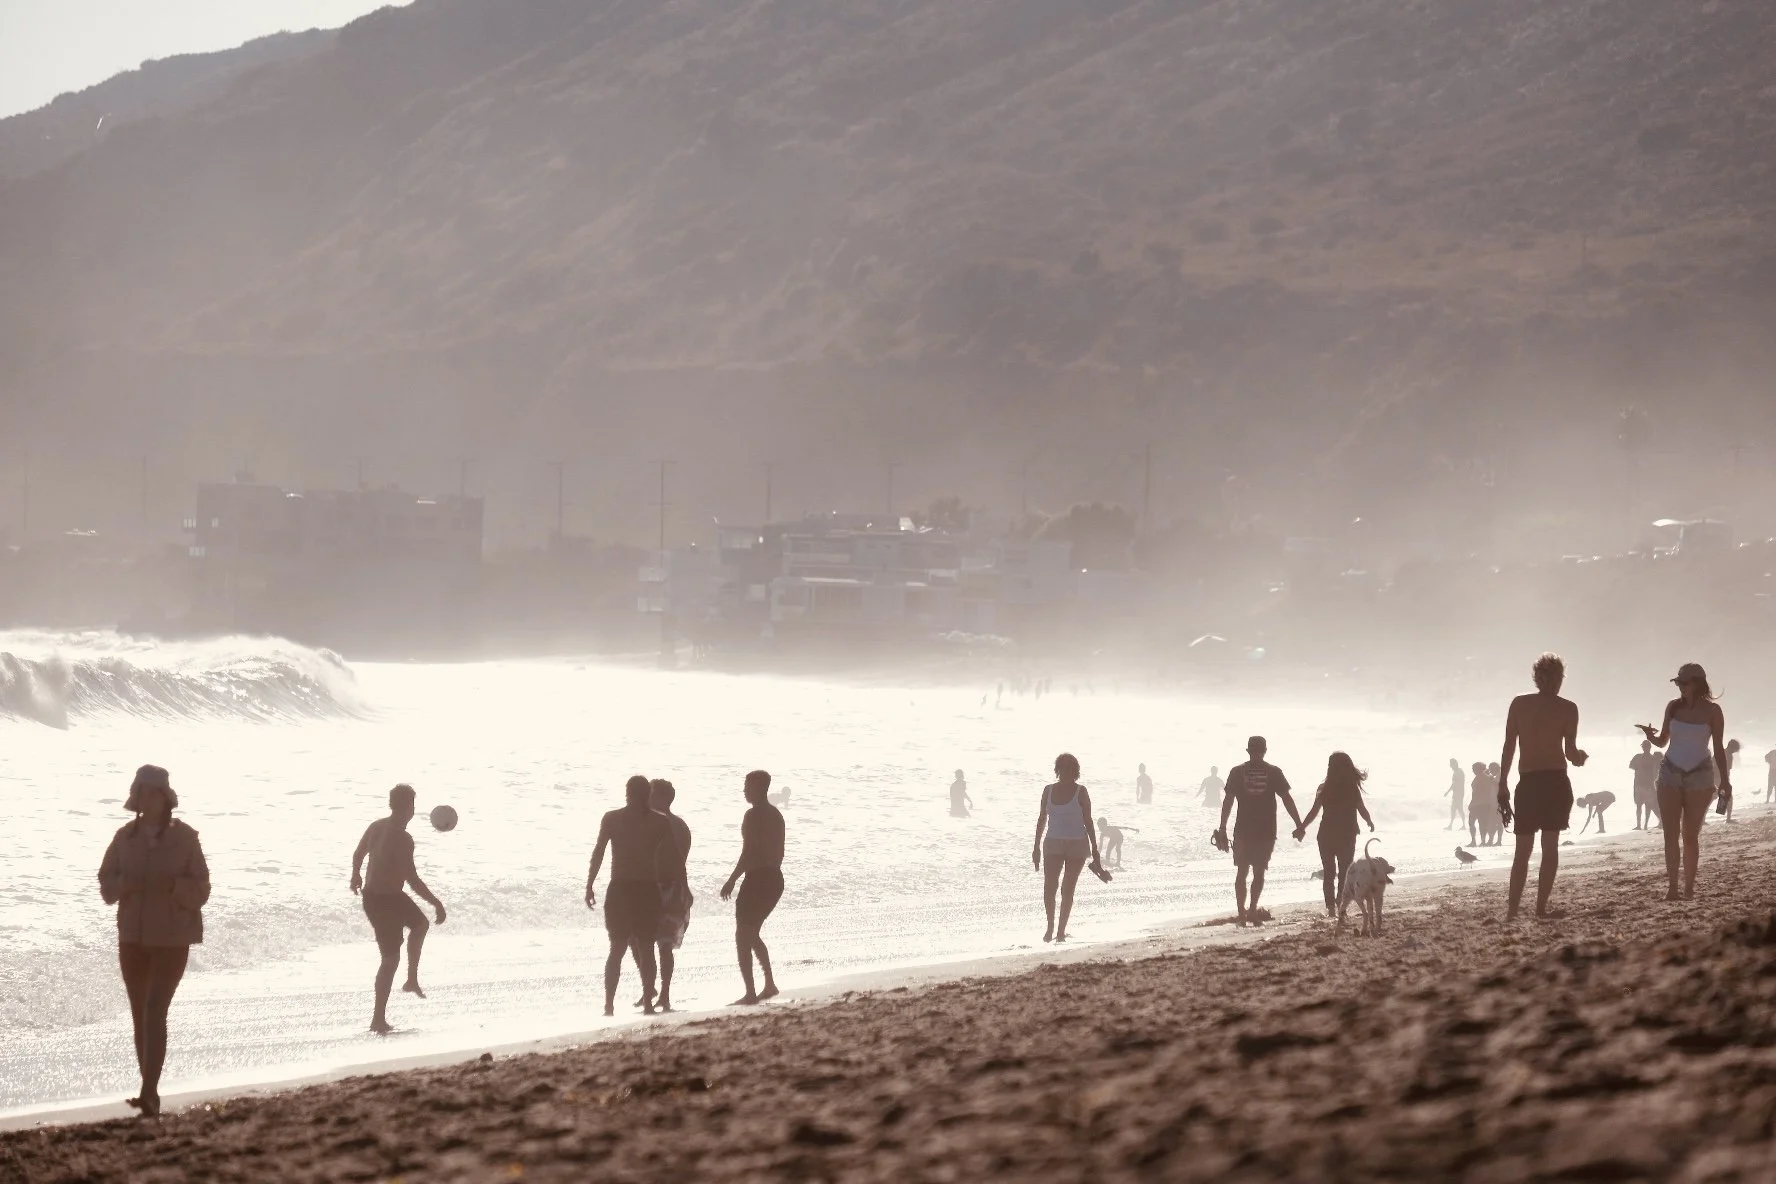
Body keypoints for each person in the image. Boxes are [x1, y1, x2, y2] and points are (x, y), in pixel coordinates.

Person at [98, 765, 210, 1118]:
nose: (147, 799)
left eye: (153, 793)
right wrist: (125, 884)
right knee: (139, 1013)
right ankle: (149, 1091)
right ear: (135, 797)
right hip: (132, 938)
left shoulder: (186, 838)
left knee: (154, 1009)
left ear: (165, 798)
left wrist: (174, 887)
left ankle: (148, 1091)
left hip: (173, 938)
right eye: (142, 792)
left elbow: (202, 890)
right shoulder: (123, 838)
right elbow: (106, 886)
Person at [1497, 653, 1588, 922]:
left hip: (1535, 782)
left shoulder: (1521, 704)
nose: (1557, 683)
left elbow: (1510, 746)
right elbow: (1570, 753)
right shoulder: (1566, 708)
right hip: (1550, 782)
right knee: (1540, 848)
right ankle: (1530, 910)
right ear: (1545, 678)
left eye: (1558, 678)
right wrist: (1580, 758)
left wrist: (1503, 783)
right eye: (1556, 677)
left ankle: (1521, 911)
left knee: (1531, 849)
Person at [351, 784, 446, 1034]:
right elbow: (412, 879)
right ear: (409, 808)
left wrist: (355, 875)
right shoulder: (403, 839)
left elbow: (358, 853)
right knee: (390, 959)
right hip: (382, 903)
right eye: (412, 805)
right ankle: (377, 1019)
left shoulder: (376, 826)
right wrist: (436, 902)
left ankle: (411, 979)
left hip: (386, 897)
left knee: (420, 924)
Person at [1638, 663, 1730, 901]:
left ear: (1698, 683)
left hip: (1700, 776)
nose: (1680, 686)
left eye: (1684, 682)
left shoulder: (1713, 711)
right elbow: (1663, 742)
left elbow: (1718, 748)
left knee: (1690, 836)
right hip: (1670, 773)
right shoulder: (1673, 707)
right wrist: (1650, 736)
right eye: (1678, 682)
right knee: (1670, 835)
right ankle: (1672, 889)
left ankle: (1688, 889)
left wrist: (1725, 781)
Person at [586, 774, 675, 1016]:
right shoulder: (660, 822)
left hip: (622, 889)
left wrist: (590, 884)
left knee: (617, 948)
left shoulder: (612, 818)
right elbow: (672, 859)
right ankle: (647, 1005)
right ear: (648, 794)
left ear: (627, 793)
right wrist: (674, 891)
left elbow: (598, 853)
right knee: (645, 948)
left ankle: (609, 1006)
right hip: (647, 890)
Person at [1216, 737, 1305, 927]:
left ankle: (1245, 914)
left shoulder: (1238, 772)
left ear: (1248, 751)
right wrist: (1299, 824)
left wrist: (1223, 826)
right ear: (1264, 751)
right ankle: (1249, 912)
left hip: (1247, 830)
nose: (1257, 754)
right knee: (1255, 872)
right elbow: (1287, 799)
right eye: (1256, 751)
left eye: (1257, 751)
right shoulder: (1273, 772)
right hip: (1262, 831)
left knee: (1245, 871)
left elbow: (1229, 800)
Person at [720, 769, 785, 1005]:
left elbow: (749, 852)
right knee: (751, 933)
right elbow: (778, 853)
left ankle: (750, 992)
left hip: (758, 879)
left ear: (759, 788)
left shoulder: (753, 815)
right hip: (775, 879)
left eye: (748, 786)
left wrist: (732, 879)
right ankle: (769, 984)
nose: (744, 791)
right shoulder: (776, 814)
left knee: (742, 936)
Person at [1030, 753, 1106, 943]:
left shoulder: (1081, 792)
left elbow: (1088, 821)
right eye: (1063, 769)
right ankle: (1050, 927)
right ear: (1058, 770)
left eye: (1070, 770)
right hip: (1052, 844)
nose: (1066, 773)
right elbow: (1042, 819)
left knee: (1067, 888)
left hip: (1077, 845)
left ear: (1075, 772)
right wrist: (1036, 846)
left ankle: (1061, 931)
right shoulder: (1048, 790)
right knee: (1050, 887)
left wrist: (1095, 849)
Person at [1293, 753, 1375, 917]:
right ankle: (1340, 905)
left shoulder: (1324, 788)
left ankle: (1331, 908)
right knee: (1344, 872)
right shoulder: (1352, 789)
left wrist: (1302, 827)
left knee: (1329, 872)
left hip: (1326, 835)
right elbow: (1361, 808)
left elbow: (1314, 811)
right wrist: (1369, 821)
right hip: (1347, 835)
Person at [647, 778, 693, 1013]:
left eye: (650, 793)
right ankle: (657, 992)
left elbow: (672, 859)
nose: (647, 798)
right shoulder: (681, 825)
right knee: (657, 944)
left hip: (663, 889)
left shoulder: (661, 824)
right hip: (673, 888)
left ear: (661, 798)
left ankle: (658, 992)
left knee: (652, 943)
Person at [1630, 739, 1662, 830]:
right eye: (1645, 746)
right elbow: (1656, 772)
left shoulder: (1639, 757)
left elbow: (1632, 766)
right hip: (1645, 785)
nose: (1645, 748)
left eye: (1645, 746)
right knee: (1646, 805)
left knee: (1642, 805)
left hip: (1642, 784)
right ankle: (1643, 825)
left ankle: (1641, 825)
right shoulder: (1652, 759)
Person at [1445, 758, 1466, 830]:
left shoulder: (1459, 772)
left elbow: (1458, 784)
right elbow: (1454, 784)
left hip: (1459, 794)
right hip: (1457, 793)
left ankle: (1460, 825)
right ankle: (1453, 825)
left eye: (1451, 765)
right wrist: (1448, 792)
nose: (1450, 767)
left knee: (1457, 809)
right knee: (1457, 809)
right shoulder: (1456, 772)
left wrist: (1449, 792)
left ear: (1455, 764)